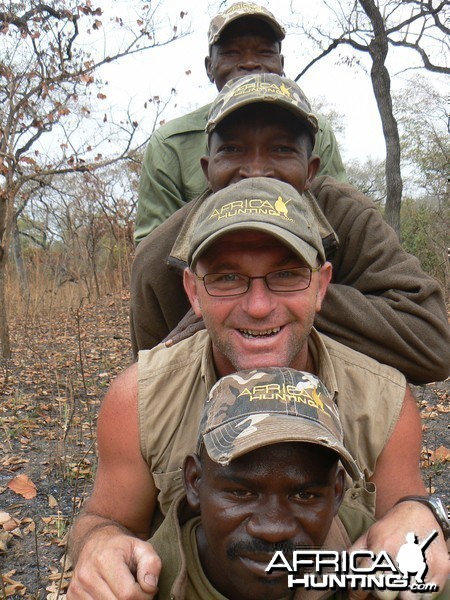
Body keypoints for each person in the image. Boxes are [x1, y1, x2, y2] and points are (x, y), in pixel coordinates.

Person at [67, 178, 449, 598]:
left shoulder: (383, 401)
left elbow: (403, 521)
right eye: (228, 278)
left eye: (286, 275)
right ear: (193, 292)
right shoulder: (140, 398)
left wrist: (419, 511)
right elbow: (104, 517)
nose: (259, 306)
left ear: (321, 286)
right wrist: (97, 544)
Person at [130, 72, 450, 385]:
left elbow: (433, 347)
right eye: (232, 149)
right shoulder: (158, 259)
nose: (256, 171)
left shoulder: (345, 216)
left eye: (281, 149)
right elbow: (151, 392)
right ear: (207, 169)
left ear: (310, 171)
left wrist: (292, 304)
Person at [151, 367, 374, 599]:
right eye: (241, 492)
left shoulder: (369, 549)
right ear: (194, 482)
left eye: (304, 496)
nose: (273, 529)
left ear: (337, 493)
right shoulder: (136, 585)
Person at [135, 2, 347, 242]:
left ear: (281, 64)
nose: (249, 63)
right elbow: (153, 249)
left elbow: (337, 220)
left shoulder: (315, 131)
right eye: (231, 53)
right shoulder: (170, 144)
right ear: (209, 67)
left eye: (265, 52)